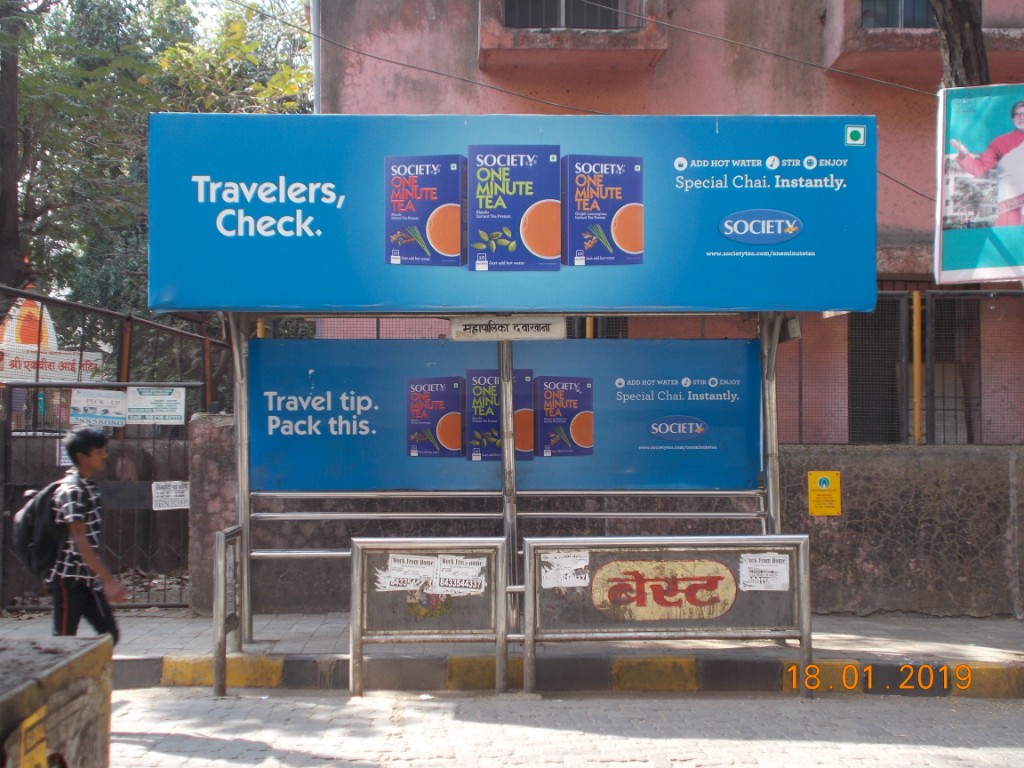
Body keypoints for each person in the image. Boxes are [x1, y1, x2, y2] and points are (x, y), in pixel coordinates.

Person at [46, 427, 125, 644]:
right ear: (82, 457)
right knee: (63, 642)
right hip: (68, 580)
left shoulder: (88, 486)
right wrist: (107, 580)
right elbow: (79, 539)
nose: (105, 455)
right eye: (98, 452)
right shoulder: (72, 491)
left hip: (88, 580)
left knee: (109, 635)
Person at [950, 100, 1024, 227]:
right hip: (1011, 208)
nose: (1021, 117)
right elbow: (980, 169)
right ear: (1012, 118)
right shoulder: (1000, 142)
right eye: (1017, 114)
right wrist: (964, 154)